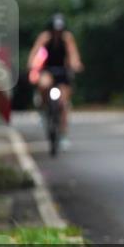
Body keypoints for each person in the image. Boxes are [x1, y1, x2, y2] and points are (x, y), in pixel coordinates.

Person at [26, 13, 84, 150]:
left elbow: (73, 53)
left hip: (63, 71)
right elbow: (35, 52)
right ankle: (42, 105)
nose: (57, 33)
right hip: (48, 70)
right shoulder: (45, 37)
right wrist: (31, 64)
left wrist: (76, 64)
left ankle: (63, 135)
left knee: (63, 104)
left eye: (60, 30)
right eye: (55, 30)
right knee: (44, 84)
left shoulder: (67, 38)